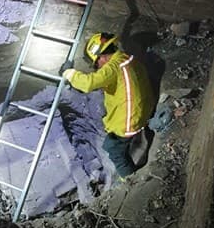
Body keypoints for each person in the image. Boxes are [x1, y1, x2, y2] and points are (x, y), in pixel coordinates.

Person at [61, 33, 157, 181]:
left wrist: (69, 73)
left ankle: (130, 181)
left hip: (129, 119)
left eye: (96, 64)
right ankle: (139, 143)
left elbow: (89, 83)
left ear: (101, 57)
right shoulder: (126, 59)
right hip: (142, 109)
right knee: (112, 143)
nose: (97, 68)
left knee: (114, 150)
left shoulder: (113, 67)